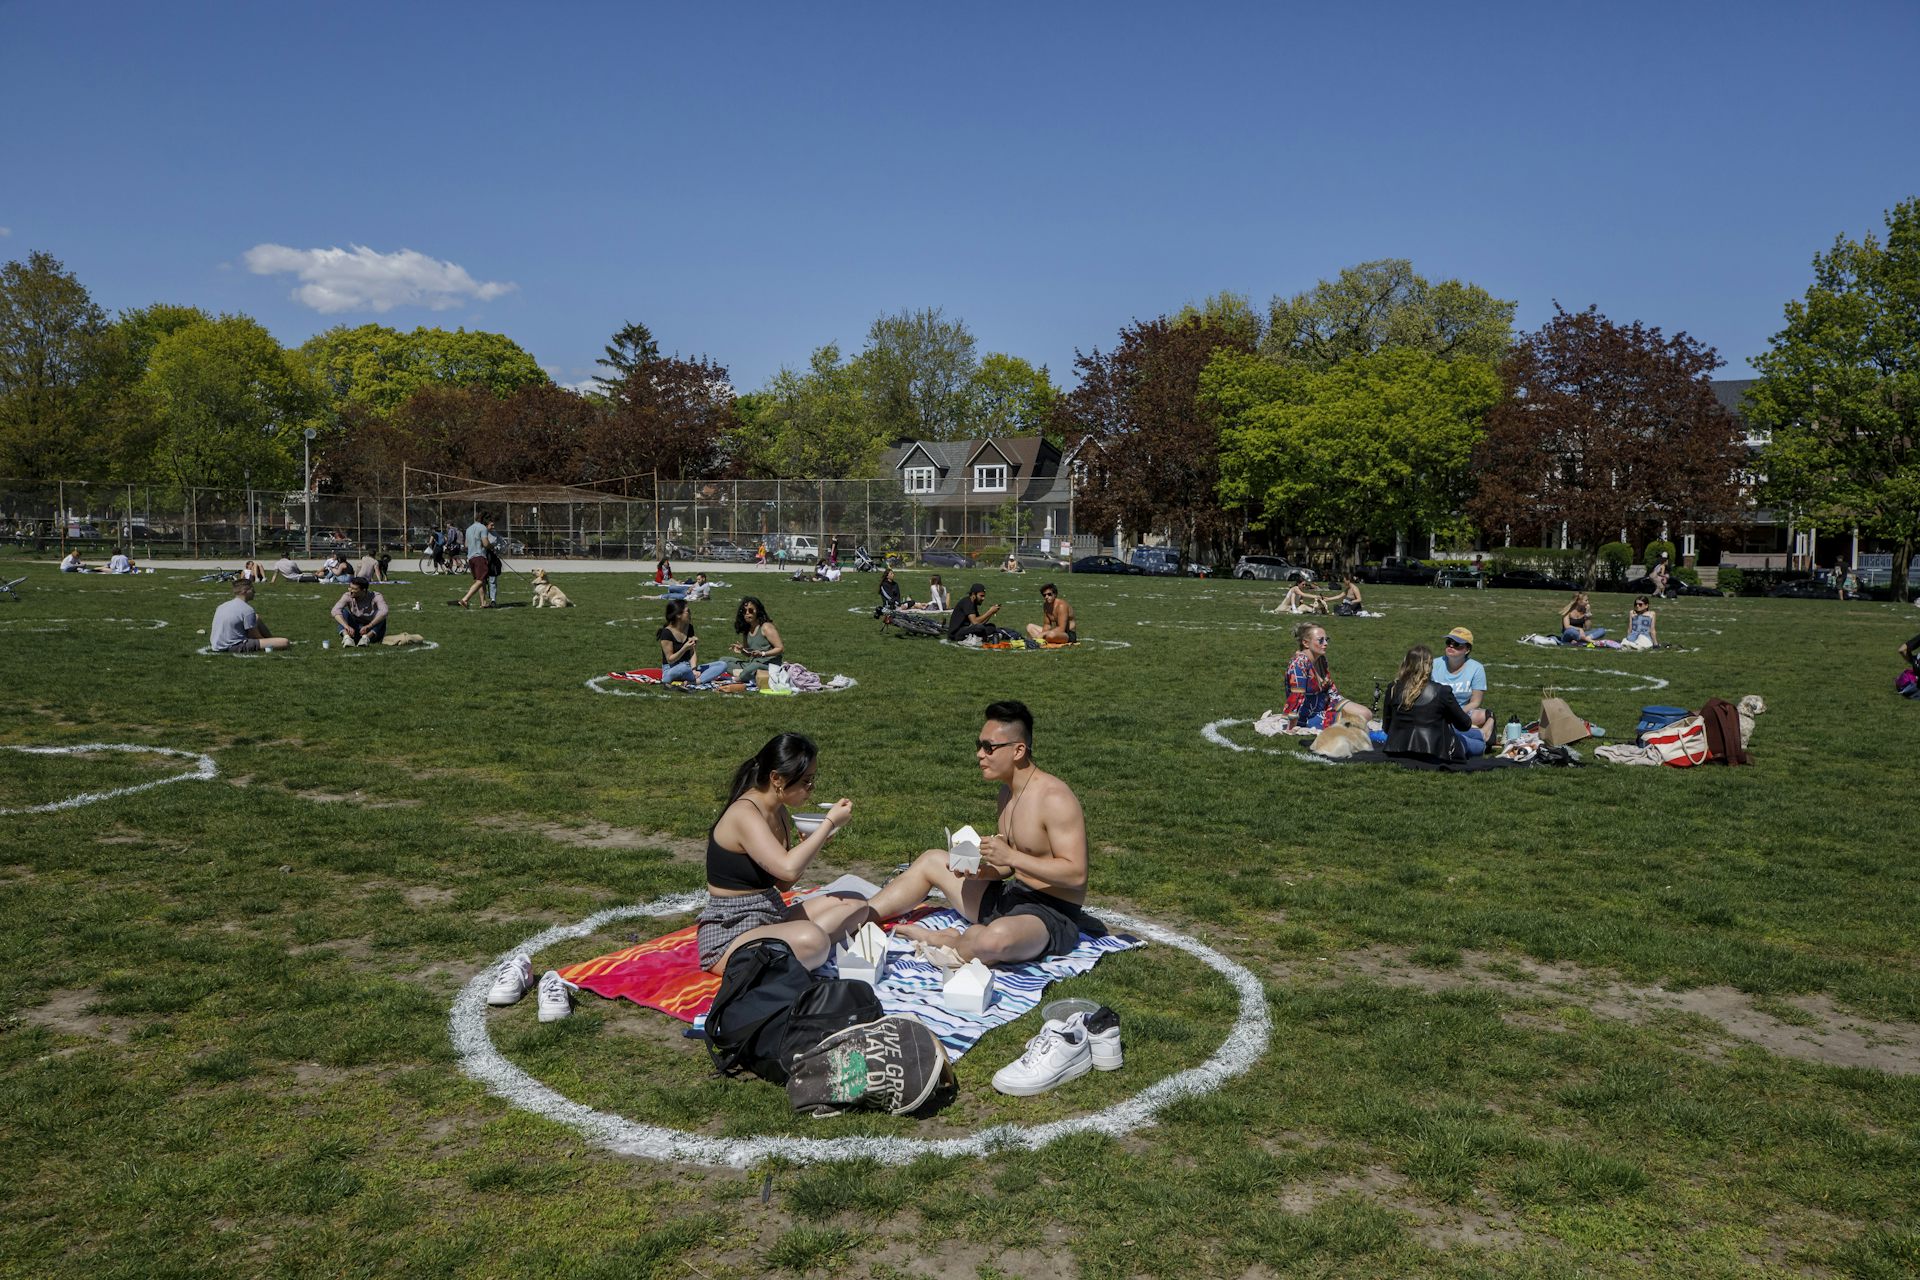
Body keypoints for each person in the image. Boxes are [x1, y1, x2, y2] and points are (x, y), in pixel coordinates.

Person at [863, 700, 1095, 964]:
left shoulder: (1054, 798)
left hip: (1050, 913)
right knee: (932, 860)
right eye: (979, 745)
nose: (980, 754)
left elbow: (1076, 874)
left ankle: (948, 939)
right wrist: (982, 872)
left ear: (1018, 750)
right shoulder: (1007, 792)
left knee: (992, 940)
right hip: (1012, 897)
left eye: (989, 747)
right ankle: (859, 916)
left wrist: (1011, 858)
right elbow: (1010, 867)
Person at [695, 733, 867, 974]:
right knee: (814, 940)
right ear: (776, 778)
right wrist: (828, 823)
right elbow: (788, 868)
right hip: (730, 933)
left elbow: (784, 883)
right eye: (806, 781)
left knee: (857, 905)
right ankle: (805, 950)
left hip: (769, 914)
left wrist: (814, 842)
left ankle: (796, 952)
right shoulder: (745, 814)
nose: (811, 788)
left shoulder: (779, 811)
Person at [1382, 644, 1476, 763]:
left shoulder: (1393, 688)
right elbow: (1464, 725)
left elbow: (1386, 727)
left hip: (1395, 749)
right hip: (1433, 752)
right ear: (1429, 665)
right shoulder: (1441, 691)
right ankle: (1488, 738)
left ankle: (1485, 735)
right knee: (1479, 742)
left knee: (1475, 735)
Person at [1430, 627, 1493, 749]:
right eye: (1449, 642)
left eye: (1457, 644)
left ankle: (1480, 731)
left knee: (1481, 715)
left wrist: (1457, 714)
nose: (1451, 646)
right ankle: (1480, 735)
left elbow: (1476, 701)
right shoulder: (1433, 664)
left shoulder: (1476, 668)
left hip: (1462, 711)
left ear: (1467, 649)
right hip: (1436, 710)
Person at [1283, 622, 1343, 730]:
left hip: (1325, 706)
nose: (1325, 643)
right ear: (1306, 643)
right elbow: (1296, 697)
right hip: (1307, 716)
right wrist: (1291, 727)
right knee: (1349, 725)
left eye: (1326, 639)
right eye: (1320, 640)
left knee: (1363, 714)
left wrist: (1341, 705)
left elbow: (1331, 689)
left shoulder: (1321, 660)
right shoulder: (1299, 664)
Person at [657, 599, 730, 687]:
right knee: (683, 667)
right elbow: (670, 659)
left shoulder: (689, 627)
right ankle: (694, 679)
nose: (690, 614)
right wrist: (684, 648)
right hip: (671, 669)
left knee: (722, 664)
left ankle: (695, 681)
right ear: (678, 615)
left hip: (688, 668)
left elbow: (692, 652)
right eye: (687, 611)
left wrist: (694, 669)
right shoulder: (666, 633)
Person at [209, 581, 290, 653]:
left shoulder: (222, 605)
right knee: (284, 642)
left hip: (217, 643)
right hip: (233, 645)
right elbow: (254, 636)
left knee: (256, 617)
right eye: (252, 589)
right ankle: (271, 640)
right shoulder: (247, 610)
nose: (254, 591)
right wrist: (268, 642)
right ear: (244, 591)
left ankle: (271, 638)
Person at [728, 595, 784, 681]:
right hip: (753, 663)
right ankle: (747, 674)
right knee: (724, 661)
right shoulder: (746, 630)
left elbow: (780, 648)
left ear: (757, 611)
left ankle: (741, 677)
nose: (747, 613)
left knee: (753, 667)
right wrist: (742, 650)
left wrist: (763, 654)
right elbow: (749, 654)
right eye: (744, 611)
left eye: (750, 610)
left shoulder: (766, 627)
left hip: (769, 665)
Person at [330, 576, 389, 647]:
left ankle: (366, 638)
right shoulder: (347, 596)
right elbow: (335, 610)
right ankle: (347, 638)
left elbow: (384, 611)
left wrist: (369, 626)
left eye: (354, 589)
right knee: (341, 612)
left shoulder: (376, 596)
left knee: (381, 616)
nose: (350, 590)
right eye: (350, 587)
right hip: (355, 629)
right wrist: (347, 626)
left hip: (372, 630)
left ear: (363, 590)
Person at [458, 513, 494, 608]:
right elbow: (486, 544)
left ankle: (483, 603)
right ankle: (465, 599)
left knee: (480, 580)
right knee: (480, 581)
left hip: (470, 557)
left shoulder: (469, 529)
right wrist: (492, 546)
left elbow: (466, 545)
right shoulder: (483, 528)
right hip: (479, 556)